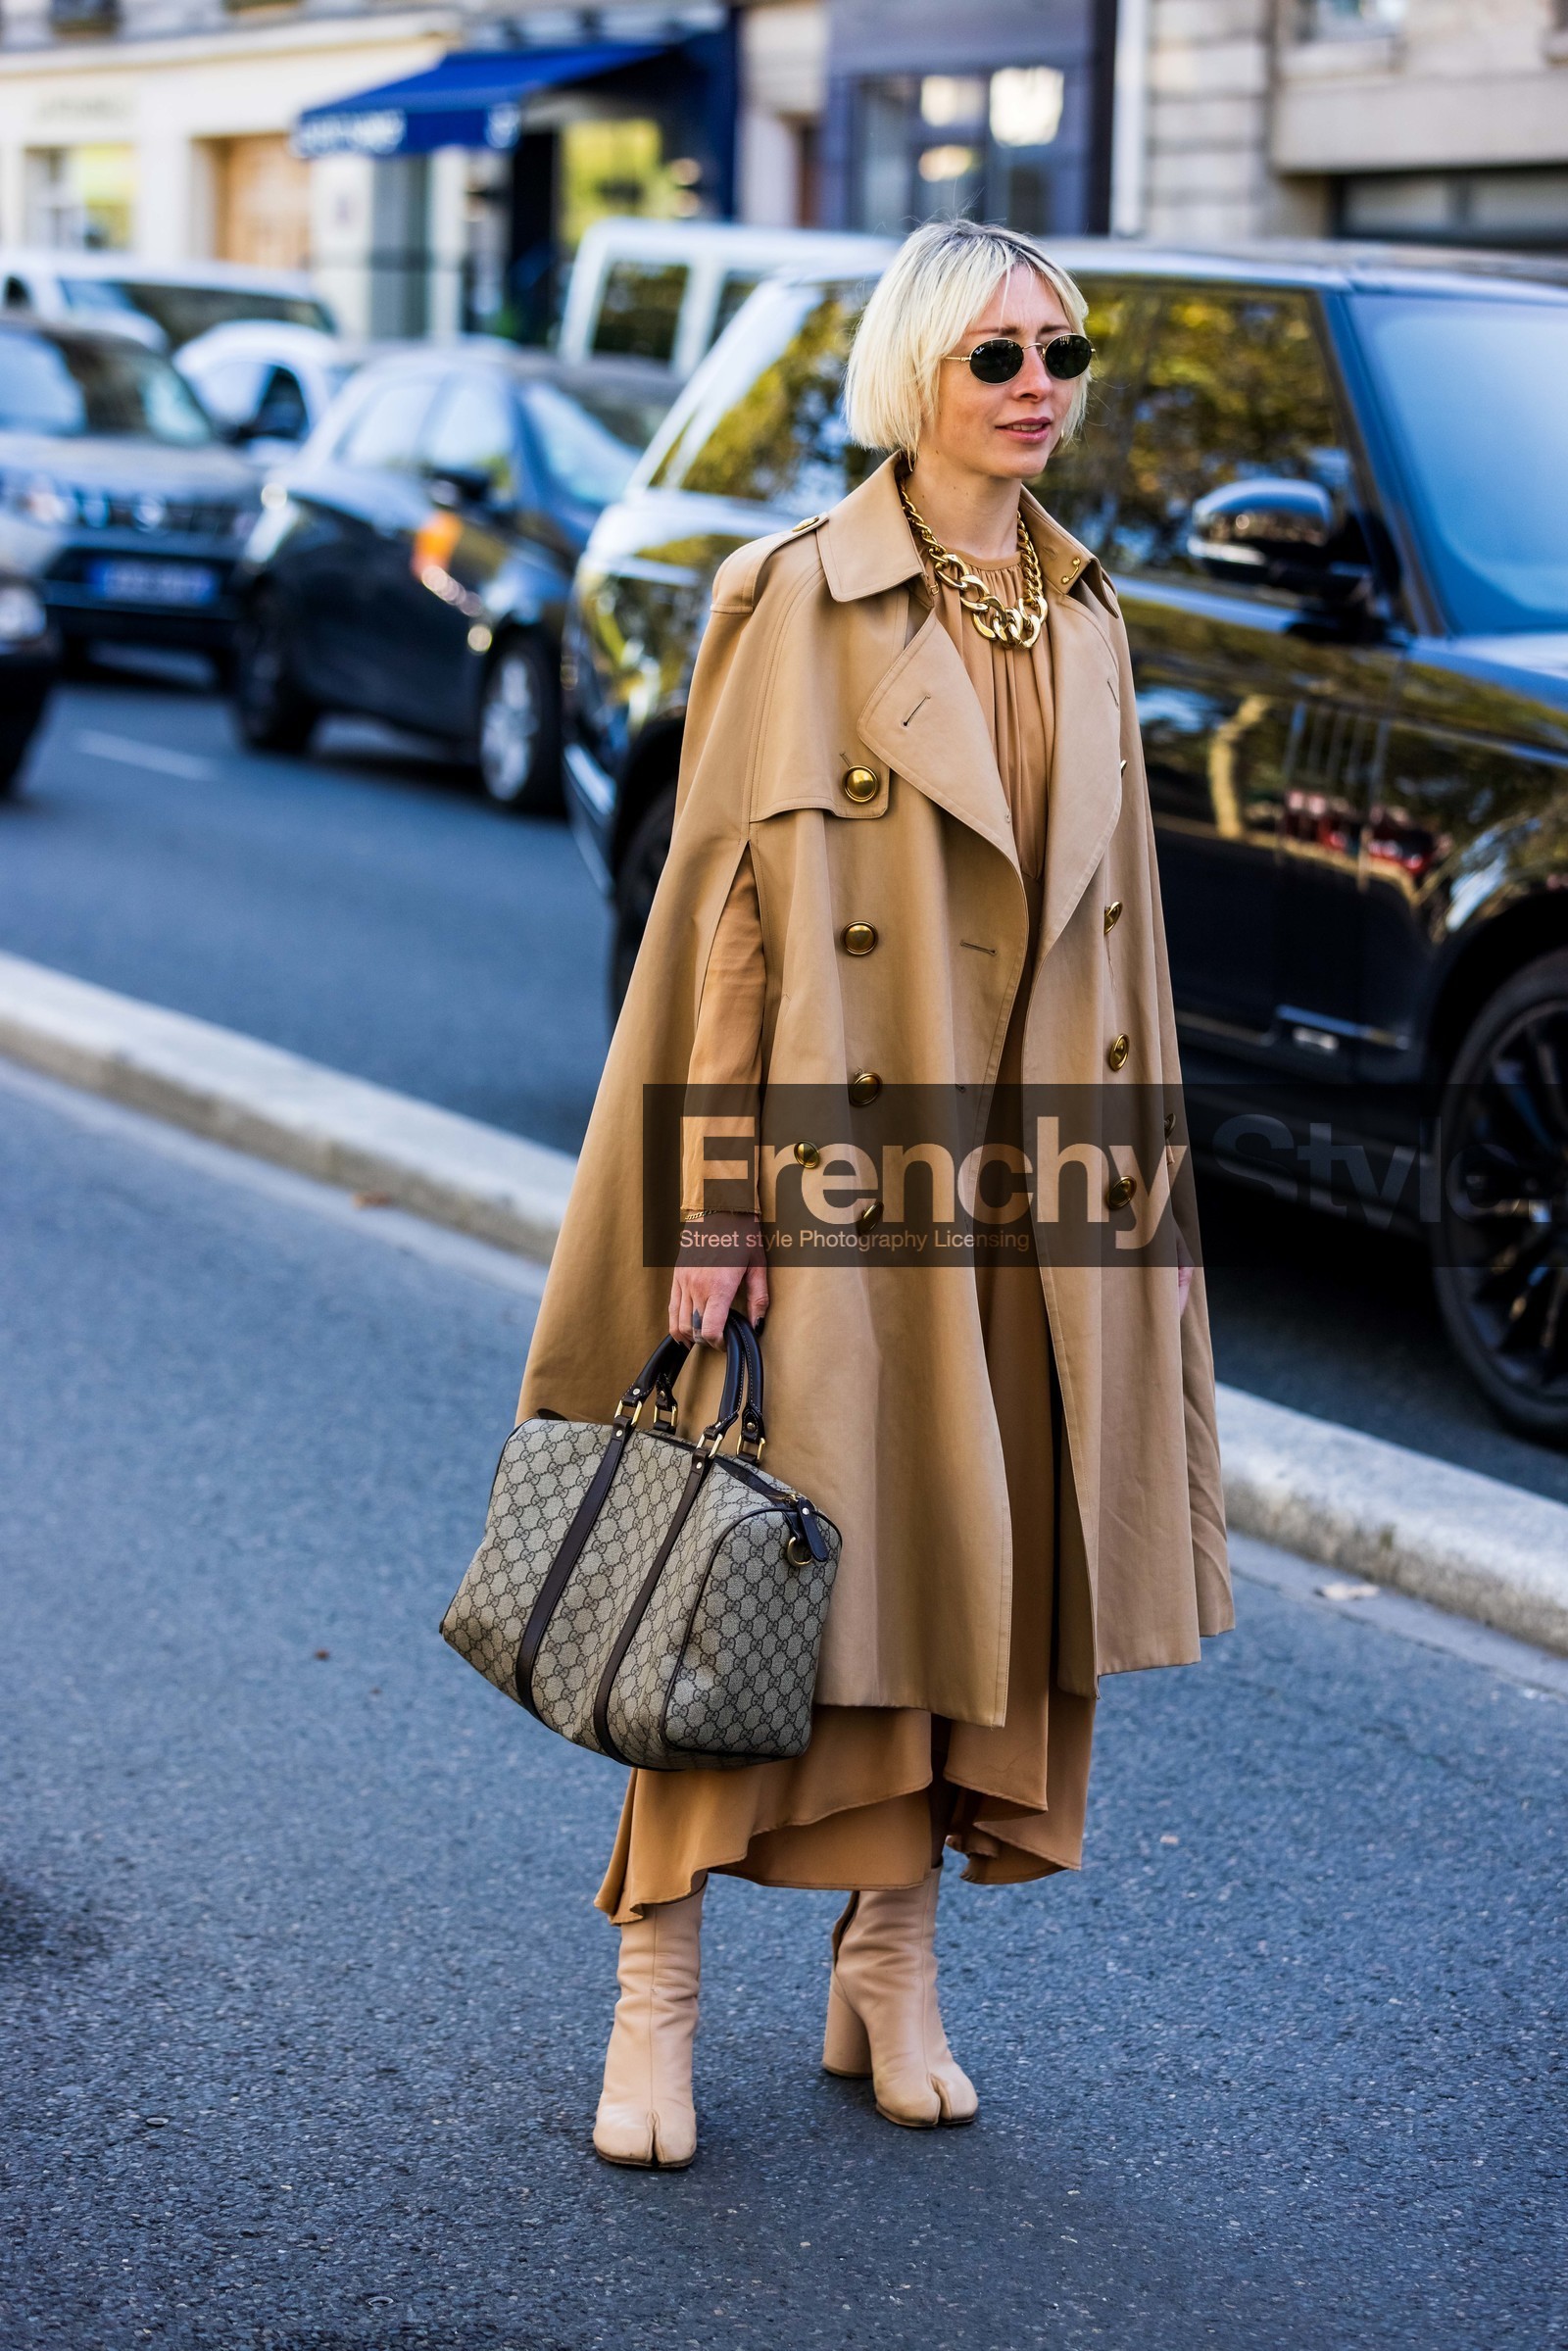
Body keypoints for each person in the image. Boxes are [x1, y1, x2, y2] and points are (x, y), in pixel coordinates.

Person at [516, 219, 1231, 2169]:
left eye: (1061, 352)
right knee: (740, 1569)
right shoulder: (792, 597)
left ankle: (889, 1967)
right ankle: (655, 1993)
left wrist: (1148, 1220)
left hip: (1035, 1191)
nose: (1036, 384)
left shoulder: (1088, 620)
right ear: (913, 371)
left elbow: (1132, 950)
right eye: (995, 353)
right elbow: (727, 923)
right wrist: (713, 1203)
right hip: (839, 1170)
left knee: (974, 1588)